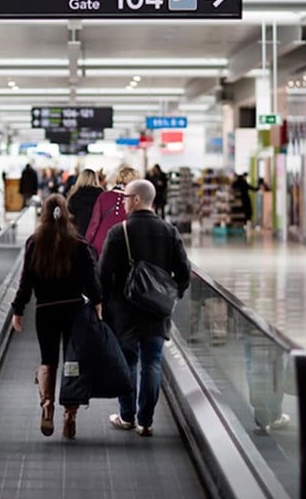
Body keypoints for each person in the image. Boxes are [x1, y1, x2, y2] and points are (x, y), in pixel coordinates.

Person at [99, 179, 190, 437]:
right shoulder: (169, 231)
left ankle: (126, 416)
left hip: (125, 311)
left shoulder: (119, 232)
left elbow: (103, 275)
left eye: (126, 197)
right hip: (157, 311)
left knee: (127, 360)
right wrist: (172, 295)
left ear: (136, 199)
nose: (123, 201)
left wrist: (105, 305)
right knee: (152, 362)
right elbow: (184, 272)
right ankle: (146, 421)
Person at [11, 194, 102, 439]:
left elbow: (25, 282)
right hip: (74, 310)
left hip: (45, 311)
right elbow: (91, 279)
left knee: (47, 360)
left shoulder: (34, 243)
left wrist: (18, 310)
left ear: (43, 213)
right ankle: (70, 414)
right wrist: (97, 303)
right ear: (67, 212)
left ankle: (47, 404)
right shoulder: (79, 244)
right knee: (72, 361)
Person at [85, 166, 141, 256]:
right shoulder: (135, 200)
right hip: (123, 246)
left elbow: (94, 224)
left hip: (101, 244)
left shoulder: (104, 196)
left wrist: (87, 243)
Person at [67, 169, 104, 237]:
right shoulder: (102, 196)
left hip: (79, 234)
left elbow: (70, 216)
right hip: (96, 234)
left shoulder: (74, 196)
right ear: (96, 179)